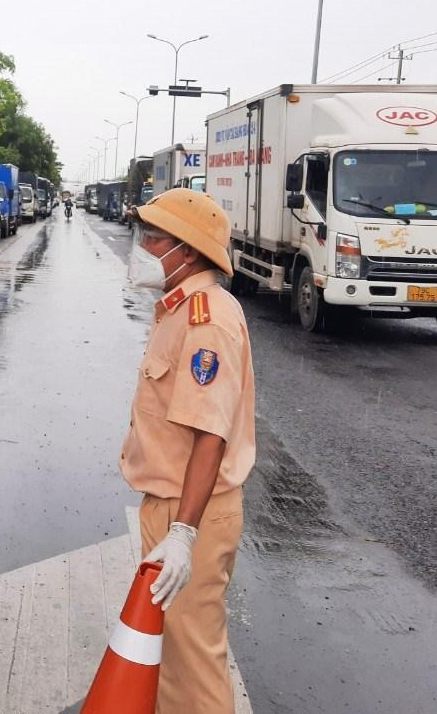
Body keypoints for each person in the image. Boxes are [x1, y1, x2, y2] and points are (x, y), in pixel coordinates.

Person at [120, 188, 256, 714]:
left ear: (189, 251)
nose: (144, 246)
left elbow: (210, 435)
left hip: (191, 513)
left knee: (193, 669)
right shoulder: (180, 308)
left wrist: (182, 534)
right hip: (176, 507)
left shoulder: (206, 320)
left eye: (154, 237)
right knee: (172, 660)